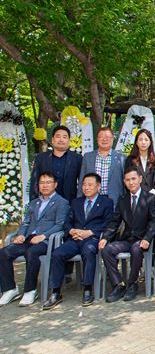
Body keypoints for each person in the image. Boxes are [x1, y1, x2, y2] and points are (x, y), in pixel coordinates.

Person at [42, 173, 114, 310]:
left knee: (89, 251)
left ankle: (87, 289)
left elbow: (109, 223)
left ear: (98, 186)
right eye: (84, 185)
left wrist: (90, 232)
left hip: (92, 239)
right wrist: (72, 231)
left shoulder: (107, 202)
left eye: (90, 185)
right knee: (57, 253)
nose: (86, 188)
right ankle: (56, 292)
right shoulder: (76, 202)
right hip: (75, 239)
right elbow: (66, 222)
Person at [0, 172, 69, 307]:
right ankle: (10, 289)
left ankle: (30, 290)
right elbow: (26, 223)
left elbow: (60, 225)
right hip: (28, 239)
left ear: (55, 185)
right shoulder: (34, 203)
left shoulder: (62, 202)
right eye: (42, 183)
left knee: (32, 252)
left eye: (48, 182)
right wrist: (21, 234)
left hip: (47, 241)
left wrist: (43, 236)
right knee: (4, 252)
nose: (45, 185)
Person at [99, 166, 155, 303]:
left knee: (136, 249)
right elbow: (115, 222)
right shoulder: (122, 199)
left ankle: (132, 284)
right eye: (127, 180)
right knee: (107, 250)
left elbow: (154, 221)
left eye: (133, 179)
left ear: (140, 179)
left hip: (142, 240)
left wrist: (147, 238)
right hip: (127, 239)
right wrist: (106, 237)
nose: (131, 182)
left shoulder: (150, 198)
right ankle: (118, 285)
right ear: (124, 182)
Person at [30, 125, 82, 202]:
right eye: (58, 136)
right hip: (45, 203)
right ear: (52, 140)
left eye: (64, 137)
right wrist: (34, 204)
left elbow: (82, 182)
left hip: (70, 202)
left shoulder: (77, 158)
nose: (61, 139)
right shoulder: (41, 158)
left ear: (69, 140)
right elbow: (35, 183)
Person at [79, 127, 126, 206]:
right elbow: (82, 180)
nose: (104, 139)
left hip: (114, 200)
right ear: (97, 139)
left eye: (107, 137)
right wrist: (80, 201)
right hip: (92, 199)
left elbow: (124, 182)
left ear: (112, 139)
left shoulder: (121, 158)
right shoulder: (88, 157)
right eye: (101, 137)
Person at [124, 129, 155, 197]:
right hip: (136, 197)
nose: (143, 142)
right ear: (136, 142)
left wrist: (153, 192)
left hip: (154, 197)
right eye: (140, 140)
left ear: (150, 142)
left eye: (146, 140)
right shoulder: (130, 160)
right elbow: (127, 178)